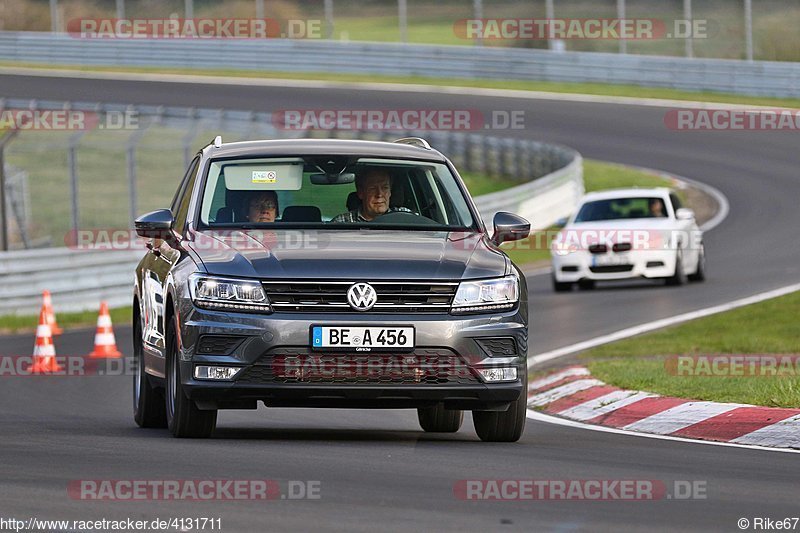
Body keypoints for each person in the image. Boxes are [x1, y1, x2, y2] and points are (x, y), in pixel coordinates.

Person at [331, 167, 412, 222]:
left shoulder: (406, 217)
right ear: (360, 193)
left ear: (390, 192)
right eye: (372, 189)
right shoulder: (342, 222)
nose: (379, 194)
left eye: (385, 188)